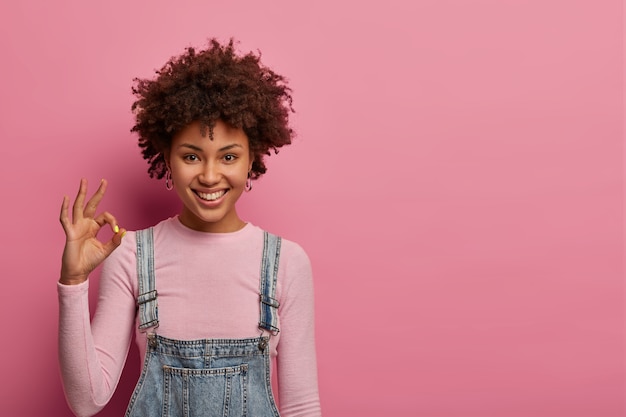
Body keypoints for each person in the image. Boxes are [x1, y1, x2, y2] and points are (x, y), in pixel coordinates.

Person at [58, 39, 321, 417]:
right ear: (167, 159)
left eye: (228, 156)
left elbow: (302, 406)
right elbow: (86, 401)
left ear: (252, 161)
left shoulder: (286, 262)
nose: (210, 175)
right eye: (191, 156)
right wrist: (72, 281)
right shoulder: (131, 254)